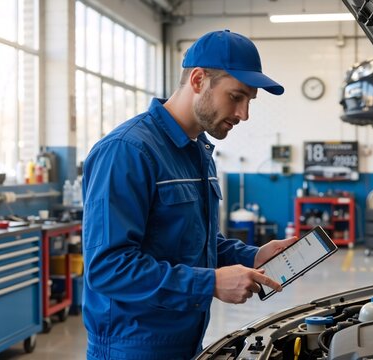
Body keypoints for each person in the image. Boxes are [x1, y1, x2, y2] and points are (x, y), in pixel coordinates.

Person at [82, 29, 296, 360]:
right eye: (236, 97)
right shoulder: (128, 151)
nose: (243, 114)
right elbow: (107, 267)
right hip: (133, 347)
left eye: (249, 101)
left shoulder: (198, 152)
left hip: (186, 340)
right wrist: (208, 284)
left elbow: (196, 244)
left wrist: (253, 256)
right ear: (198, 80)